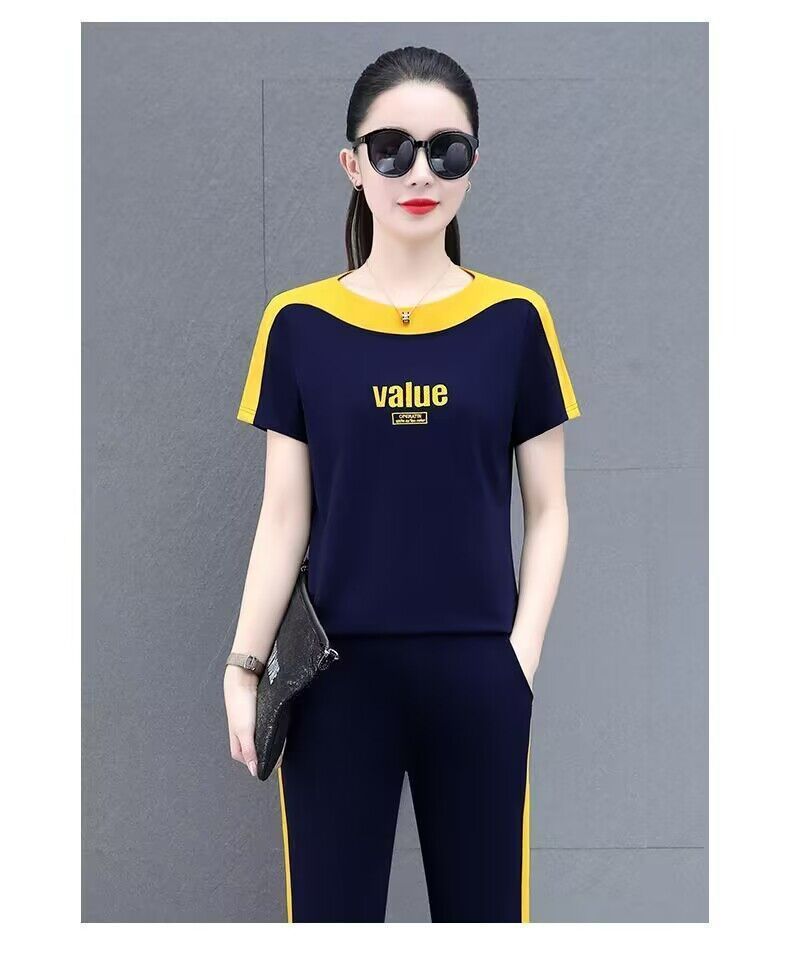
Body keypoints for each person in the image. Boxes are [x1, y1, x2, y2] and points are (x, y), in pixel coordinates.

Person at [223, 45, 581, 923]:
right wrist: (244, 664)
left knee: (486, 917)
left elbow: (549, 511)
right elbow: (283, 516)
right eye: (392, 149)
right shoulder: (298, 323)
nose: (420, 173)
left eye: (446, 151)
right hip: (333, 681)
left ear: (472, 165)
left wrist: (519, 658)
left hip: (479, 675)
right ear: (353, 165)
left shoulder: (516, 320)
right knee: (331, 920)